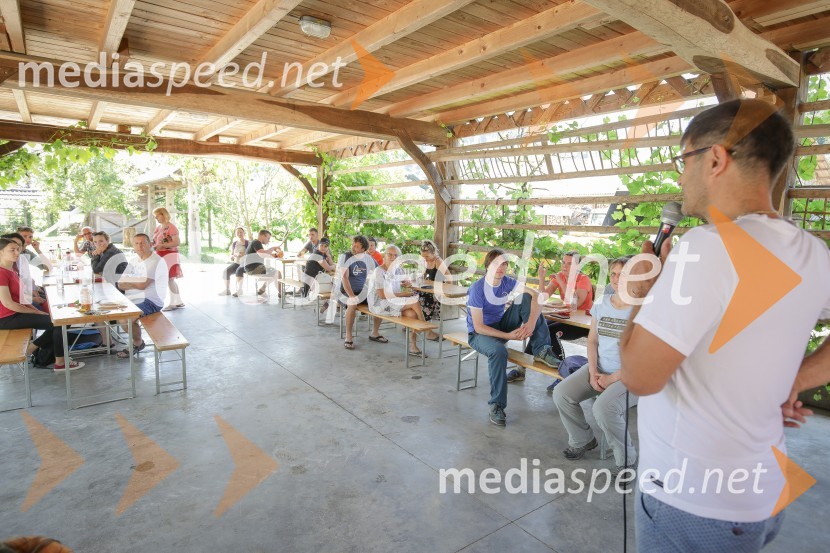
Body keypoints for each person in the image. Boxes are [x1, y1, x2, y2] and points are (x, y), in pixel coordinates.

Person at [618, 99, 830, 552]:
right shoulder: (813, 253)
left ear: (715, 158)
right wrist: (794, 381)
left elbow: (638, 376)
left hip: (692, 500)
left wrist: (641, 295)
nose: (681, 178)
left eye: (683, 161)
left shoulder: (707, 247)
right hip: (762, 494)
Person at [552, 257, 637, 476]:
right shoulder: (602, 303)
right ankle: (583, 439)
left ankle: (627, 460)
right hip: (600, 367)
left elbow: (643, 358)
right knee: (562, 393)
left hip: (630, 376)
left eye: (623, 275)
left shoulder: (642, 309)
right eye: (614, 274)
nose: (617, 279)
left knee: (603, 408)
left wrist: (611, 378)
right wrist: (593, 371)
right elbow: (592, 340)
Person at [467, 248, 559, 426]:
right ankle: (496, 405)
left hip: (500, 325)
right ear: (487, 266)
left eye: (504, 264)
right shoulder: (477, 288)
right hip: (479, 334)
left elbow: (537, 296)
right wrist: (508, 335)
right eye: (496, 264)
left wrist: (530, 323)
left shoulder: (506, 281)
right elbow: (478, 327)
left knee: (526, 297)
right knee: (499, 351)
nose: (500, 268)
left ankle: (541, 350)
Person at [0, 237, 84, 371]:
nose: (17, 253)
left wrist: (37, 310)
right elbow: (9, 304)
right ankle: (59, 362)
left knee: (60, 320)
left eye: (17, 249)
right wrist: (35, 312)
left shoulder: (11, 271)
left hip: (16, 314)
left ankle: (34, 348)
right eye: (12, 250)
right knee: (59, 323)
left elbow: (22, 299)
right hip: (7, 318)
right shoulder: (1, 273)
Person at [368, 244, 427, 355]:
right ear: (384, 256)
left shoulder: (398, 270)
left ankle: (413, 346)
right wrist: (404, 294)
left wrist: (408, 283)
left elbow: (407, 281)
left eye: (396, 255)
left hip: (393, 301)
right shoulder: (379, 272)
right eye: (390, 254)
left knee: (411, 314)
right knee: (414, 301)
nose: (393, 257)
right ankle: (425, 327)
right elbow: (382, 295)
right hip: (379, 304)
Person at [116, 233, 166, 358]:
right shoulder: (134, 261)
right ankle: (137, 342)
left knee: (126, 319)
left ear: (150, 244)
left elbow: (143, 285)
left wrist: (130, 282)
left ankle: (137, 343)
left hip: (150, 301)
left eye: (143, 243)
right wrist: (135, 283)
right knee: (116, 315)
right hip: (132, 299)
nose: (140, 246)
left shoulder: (155, 261)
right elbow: (120, 284)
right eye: (136, 243)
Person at [339, 235, 376, 350]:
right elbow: (344, 277)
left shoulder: (368, 258)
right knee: (352, 303)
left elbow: (379, 271)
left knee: (379, 300)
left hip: (363, 292)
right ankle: (348, 337)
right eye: (353, 245)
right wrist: (351, 295)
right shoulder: (346, 256)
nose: (353, 248)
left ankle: (375, 333)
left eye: (356, 246)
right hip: (346, 291)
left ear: (363, 249)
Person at [151, 207, 184, 311]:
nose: (156, 218)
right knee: (169, 279)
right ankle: (178, 301)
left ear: (163, 214)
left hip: (169, 254)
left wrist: (162, 246)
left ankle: (174, 303)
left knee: (169, 279)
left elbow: (176, 242)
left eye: (157, 216)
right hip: (161, 254)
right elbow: (156, 242)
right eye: (155, 216)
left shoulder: (171, 227)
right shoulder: (159, 228)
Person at [417, 239, 451, 341]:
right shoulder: (424, 261)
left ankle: (426, 331)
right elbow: (422, 276)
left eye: (427, 256)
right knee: (412, 296)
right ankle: (414, 324)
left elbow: (449, 277)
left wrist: (447, 292)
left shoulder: (438, 261)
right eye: (423, 256)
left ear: (434, 253)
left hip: (435, 292)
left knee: (420, 301)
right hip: (427, 289)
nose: (425, 259)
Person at [234, 229, 282, 298]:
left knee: (273, 273)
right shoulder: (256, 242)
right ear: (263, 236)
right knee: (277, 273)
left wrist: (276, 255)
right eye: (268, 238)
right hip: (254, 269)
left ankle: (262, 289)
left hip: (251, 268)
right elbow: (262, 254)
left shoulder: (255, 243)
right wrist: (273, 248)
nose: (268, 240)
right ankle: (281, 294)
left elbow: (264, 254)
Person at [218, 227, 249, 296]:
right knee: (226, 271)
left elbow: (251, 254)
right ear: (235, 234)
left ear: (244, 233)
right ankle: (227, 290)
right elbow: (231, 255)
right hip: (236, 263)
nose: (239, 234)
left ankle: (240, 290)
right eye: (238, 232)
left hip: (245, 264)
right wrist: (233, 256)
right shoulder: (234, 243)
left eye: (241, 232)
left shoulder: (248, 243)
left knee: (239, 270)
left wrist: (243, 254)